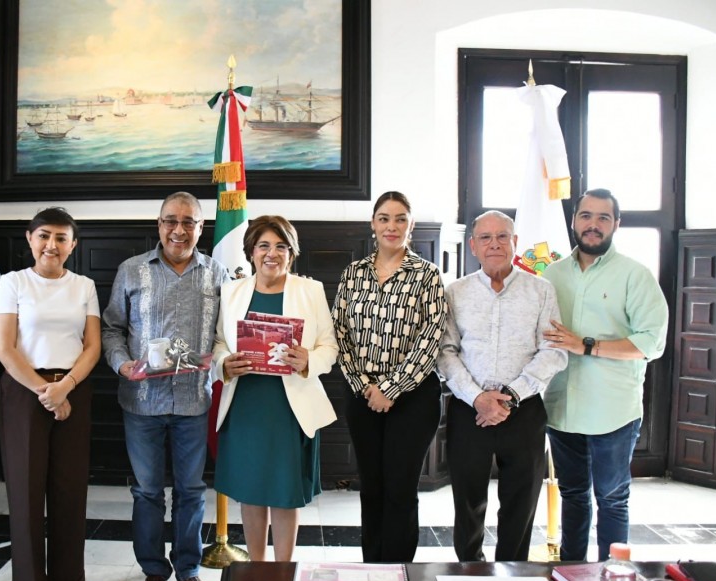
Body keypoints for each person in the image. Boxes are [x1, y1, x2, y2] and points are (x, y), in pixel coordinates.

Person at [101, 192, 229, 581]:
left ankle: (188, 570)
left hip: (194, 400)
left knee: (191, 491)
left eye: (189, 222)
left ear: (201, 227)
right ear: (159, 225)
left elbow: (227, 332)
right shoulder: (132, 270)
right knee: (147, 491)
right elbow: (111, 328)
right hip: (142, 401)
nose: (179, 229)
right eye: (171, 220)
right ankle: (154, 571)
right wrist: (122, 363)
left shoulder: (218, 274)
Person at [542, 188, 669, 561]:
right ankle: (572, 571)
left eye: (603, 217)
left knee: (611, 498)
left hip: (612, 411)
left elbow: (651, 343)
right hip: (561, 407)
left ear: (616, 223)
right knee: (572, 494)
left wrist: (587, 346)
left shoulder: (634, 275)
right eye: (586, 216)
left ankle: (611, 575)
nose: (593, 225)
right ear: (574, 220)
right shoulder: (552, 274)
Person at [437, 210, 568, 562]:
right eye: (485, 237)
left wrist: (510, 396)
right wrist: (478, 397)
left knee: (520, 502)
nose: (494, 244)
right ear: (473, 246)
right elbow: (445, 352)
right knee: (467, 501)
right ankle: (469, 567)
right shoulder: (455, 292)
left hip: (524, 410)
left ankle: (512, 572)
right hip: (469, 410)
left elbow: (553, 351)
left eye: (502, 236)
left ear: (515, 242)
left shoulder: (541, 290)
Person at [212, 216, 338, 561]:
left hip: (289, 407)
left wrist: (309, 360)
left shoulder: (310, 291)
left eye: (281, 246)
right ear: (251, 252)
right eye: (264, 246)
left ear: (291, 253)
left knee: (284, 493)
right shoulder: (232, 291)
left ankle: (282, 572)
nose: (272, 253)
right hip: (245, 404)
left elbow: (329, 346)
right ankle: (257, 568)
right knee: (251, 492)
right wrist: (224, 364)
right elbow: (220, 342)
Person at [332, 191, 448, 562]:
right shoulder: (353, 273)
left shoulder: (427, 275)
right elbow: (340, 334)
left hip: (413, 398)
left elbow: (432, 338)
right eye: (384, 218)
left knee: (400, 489)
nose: (391, 226)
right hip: (362, 395)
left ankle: (398, 572)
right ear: (373, 224)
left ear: (411, 225)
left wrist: (391, 389)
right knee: (371, 487)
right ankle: (373, 569)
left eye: (400, 219)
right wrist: (365, 386)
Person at [0, 207, 101, 581]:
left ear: (73, 245)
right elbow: (4, 349)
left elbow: (93, 346)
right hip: (24, 391)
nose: (51, 245)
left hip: (73, 388)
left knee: (69, 489)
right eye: (43, 236)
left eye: (60, 238)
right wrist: (46, 392)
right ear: (30, 239)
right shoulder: (13, 283)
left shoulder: (84, 286)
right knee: (25, 491)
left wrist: (64, 388)